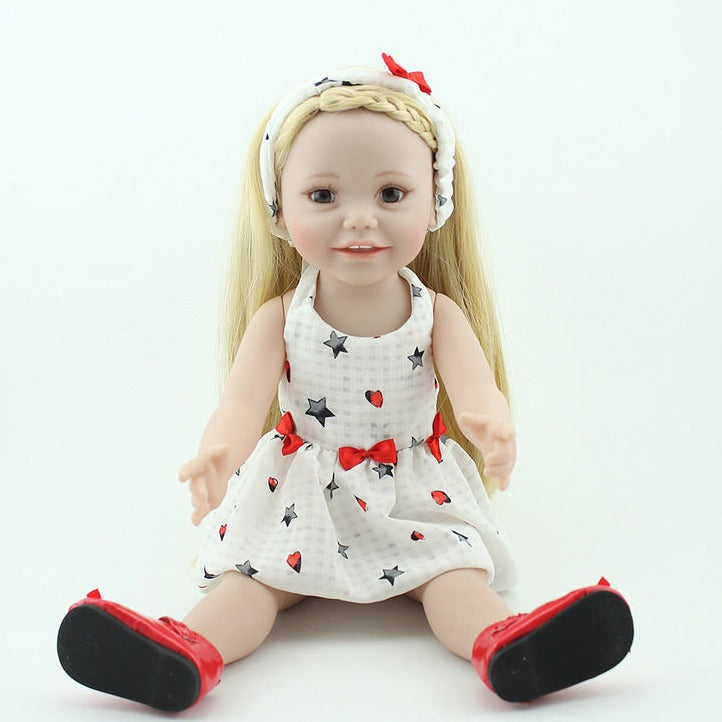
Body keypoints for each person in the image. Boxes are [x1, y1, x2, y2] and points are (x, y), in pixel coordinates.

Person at [57, 53, 633, 712]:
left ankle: (506, 646)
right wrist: (218, 453)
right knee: (251, 584)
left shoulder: (435, 314)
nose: (359, 219)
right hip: (300, 493)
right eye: (324, 196)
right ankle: (184, 652)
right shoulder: (282, 317)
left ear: (436, 203)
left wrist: (491, 424)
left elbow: (476, 390)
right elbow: (241, 403)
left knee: (454, 576)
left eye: (391, 194)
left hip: (412, 492)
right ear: (279, 211)